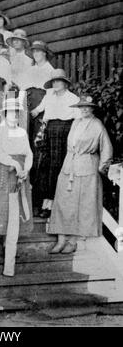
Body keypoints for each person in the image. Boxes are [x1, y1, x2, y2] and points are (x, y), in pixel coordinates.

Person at [47, 95, 113, 254]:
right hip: (69, 165)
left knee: (81, 205)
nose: (84, 109)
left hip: (86, 168)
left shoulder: (97, 125)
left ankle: (73, 241)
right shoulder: (76, 122)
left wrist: (101, 167)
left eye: (87, 106)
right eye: (81, 106)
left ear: (92, 108)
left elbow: (107, 148)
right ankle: (61, 239)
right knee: (62, 202)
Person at [0, 98, 33, 277]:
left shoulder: (22, 132)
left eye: (16, 112)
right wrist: (13, 163)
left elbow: (28, 153)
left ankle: (9, 246)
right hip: (3, 171)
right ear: (4, 113)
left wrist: (26, 168)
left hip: (20, 175)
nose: (14, 115)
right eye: (11, 112)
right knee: (0, 206)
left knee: (16, 209)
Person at [31, 69, 81, 218]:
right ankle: (43, 203)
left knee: (57, 166)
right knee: (44, 165)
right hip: (48, 130)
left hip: (64, 131)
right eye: (53, 81)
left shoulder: (73, 99)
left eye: (58, 81)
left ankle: (54, 206)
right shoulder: (49, 95)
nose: (55, 84)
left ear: (65, 83)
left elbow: (78, 121)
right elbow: (37, 111)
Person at [25, 40, 55, 216]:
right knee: (26, 146)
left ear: (45, 53)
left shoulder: (50, 70)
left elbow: (49, 95)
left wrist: (38, 109)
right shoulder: (30, 70)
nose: (36, 54)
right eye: (34, 52)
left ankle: (38, 200)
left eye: (39, 52)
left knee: (39, 151)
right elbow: (22, 89)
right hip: (27, 107)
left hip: (39, 110)